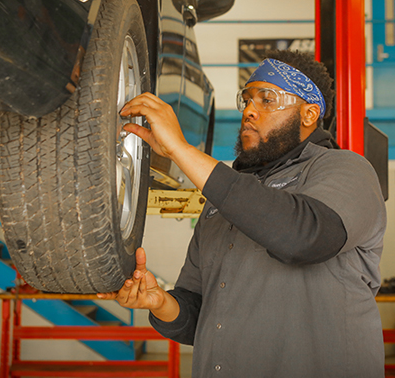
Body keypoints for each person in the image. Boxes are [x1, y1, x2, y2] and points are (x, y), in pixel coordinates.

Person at [98, 50, 386, 378]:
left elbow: (304, 237)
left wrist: (180, 150)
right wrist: (160, 302)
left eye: (267, 99)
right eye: (246, 99)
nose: (249, 111)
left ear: (309, 114)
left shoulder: (346, 169)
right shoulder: (222, 202)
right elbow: (200, 316)